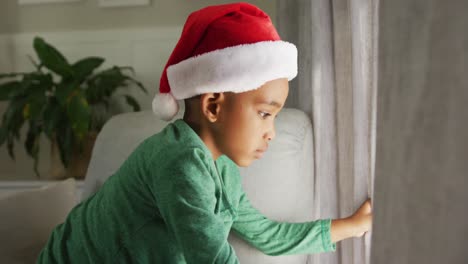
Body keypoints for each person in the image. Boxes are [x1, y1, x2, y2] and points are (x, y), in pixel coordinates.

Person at [37, 2, 372, 263]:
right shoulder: (179, 162)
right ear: (213, 106)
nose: (271, 133)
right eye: (265, 114)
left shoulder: (222, 169)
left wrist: (352, 226)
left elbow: (268, 235)